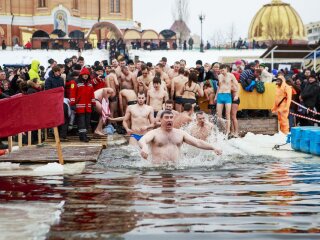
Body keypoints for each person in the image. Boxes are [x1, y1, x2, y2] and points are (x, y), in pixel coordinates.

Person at [139, 110, 222, 164]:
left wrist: (213, 147)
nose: (169, 120)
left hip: (176, 169)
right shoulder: (154, 133)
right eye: (166, 117)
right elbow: (143, 140)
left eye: (171, 118)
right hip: (158, 169)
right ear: (160, 120)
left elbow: (197, 142)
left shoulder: (180, 133)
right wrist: (144, 147)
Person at [215, 64, 237, 136]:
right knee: (219, 115)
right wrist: (216, 96)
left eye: (223, 70)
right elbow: (219, 87)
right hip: (220, 95)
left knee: (228, 114)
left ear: (226, 69)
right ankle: (222, 130)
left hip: (227, 95)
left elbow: (237, 85)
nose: (221, 72)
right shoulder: (219, 76)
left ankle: (227, 131)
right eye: (220, 70)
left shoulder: (231, 75)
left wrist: (237, 95)